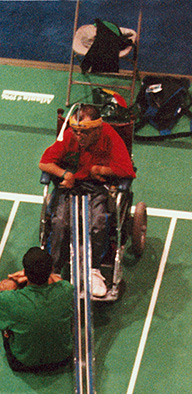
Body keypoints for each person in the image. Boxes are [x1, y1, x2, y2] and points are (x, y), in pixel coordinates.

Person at [39, 103, 135, 297]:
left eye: (84, 133)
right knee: (59, 222)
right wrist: (64, 174)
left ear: (97, 129)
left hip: (98, 188)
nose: (79, 137)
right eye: (76, 132)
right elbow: (44, 162)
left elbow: (127, 170)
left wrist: (100, 170)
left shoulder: (110, 137)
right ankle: (54, 270)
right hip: (70, 186)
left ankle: (94, 270)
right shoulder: (70, 136)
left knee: (98, 222)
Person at [0, 247, 74, 372]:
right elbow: (58, 281)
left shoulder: (10, 301)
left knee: (5, 302)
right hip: (61, 360)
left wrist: (11, 282)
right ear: (52, 270)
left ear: (25, 272)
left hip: (23, 362)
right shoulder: (65, 290)